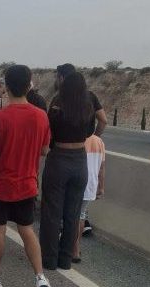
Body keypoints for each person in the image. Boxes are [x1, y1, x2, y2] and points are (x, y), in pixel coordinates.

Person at [0, 65, 54, 287]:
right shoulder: (41, 116)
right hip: (27, 184)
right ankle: (41, 277)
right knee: (26, 229)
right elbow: (45, 150)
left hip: (0, 185)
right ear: (29, 86)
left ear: (5, 87)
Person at [39, 72, 94, 270]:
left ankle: (49, 259)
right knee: (73, 213)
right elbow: (90, 132)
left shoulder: (57, 104)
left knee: (52, 212)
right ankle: (65, 259)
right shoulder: (87, 106)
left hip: (59, 157)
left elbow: (48, 131)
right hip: (80, 159)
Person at [54, 64, 107, 237]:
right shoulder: (90, 97)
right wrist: (92, 136)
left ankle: (58, 241)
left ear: (62, 78)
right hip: (82, 152)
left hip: (63, 152)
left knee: (61, 198)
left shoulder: (60, 98)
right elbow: (104, 120)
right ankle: (73, 247)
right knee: (79, 202)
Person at [72, 134, 106, 263]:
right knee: (81, 216)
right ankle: (76, 249)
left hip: (75, 182)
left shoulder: (76, 138)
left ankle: (69, 247)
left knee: (71, 215)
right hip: (91, 184)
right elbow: (102, 167)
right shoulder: (99, 141)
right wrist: (101, 187)